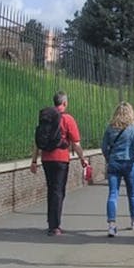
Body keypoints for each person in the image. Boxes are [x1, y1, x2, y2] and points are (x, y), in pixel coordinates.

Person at [29, 90, 88, 236]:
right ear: (65, 103)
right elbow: (75, 143)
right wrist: (82, 159)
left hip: (46, 158)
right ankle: (55, 226)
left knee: (51, 190)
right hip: (61, 159)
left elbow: (38, 140)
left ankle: (52, 223)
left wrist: (34, 160)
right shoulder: (68, 119)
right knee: (58, 191)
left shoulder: (46, 117)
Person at [100, 102, 134, 236]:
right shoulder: (133, 128)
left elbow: (103, 147)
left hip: (114, 162)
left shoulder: (110, 128)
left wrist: (109, 158)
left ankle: (112, 225)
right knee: (132, 194)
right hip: (129, 163)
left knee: (113, 194)